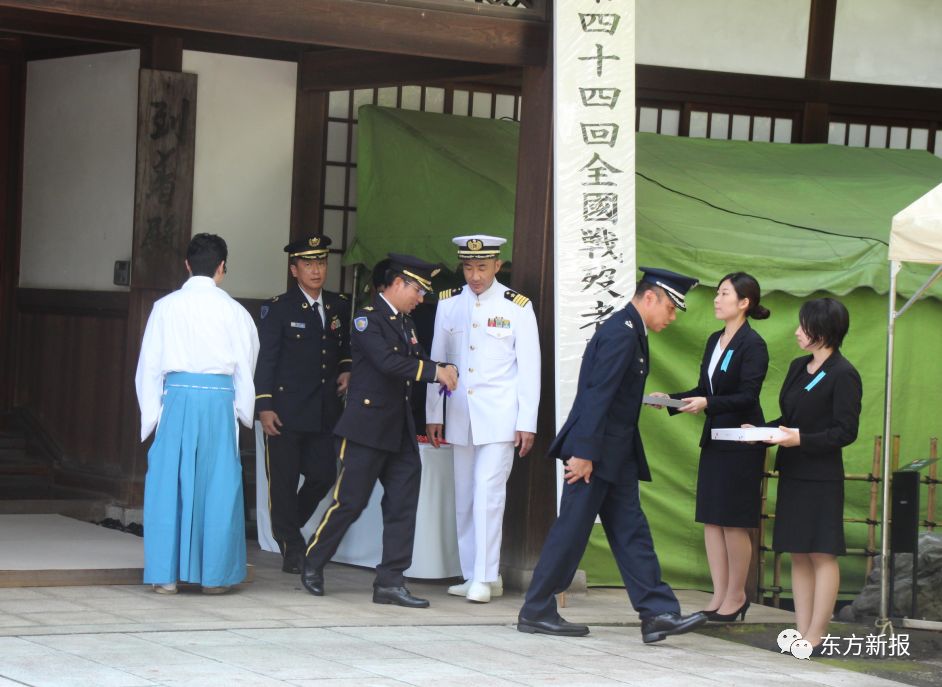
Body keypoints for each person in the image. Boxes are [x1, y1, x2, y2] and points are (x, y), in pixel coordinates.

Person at [518, 267, 708, 643]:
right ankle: (536, 609)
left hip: (614, 453)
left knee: (631, 532)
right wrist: (585, 453)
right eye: (671, 308)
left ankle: (657, 613)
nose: (672, 317)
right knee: (571, 531)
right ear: (650, 297)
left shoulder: (631, 332)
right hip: (595, 453)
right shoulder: (622, 333)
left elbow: (613, 394)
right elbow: (596, 395)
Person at [300, 253, 459, 607]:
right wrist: (435, 371)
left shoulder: (405, 322)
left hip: (399, 429)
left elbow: (408, 362)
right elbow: (388, 363)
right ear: (399, 283)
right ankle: (312, 561)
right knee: (350, 503)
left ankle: (390, 580)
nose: (421, 298)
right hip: (366, 429)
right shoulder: (366, 320)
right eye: (418, 290)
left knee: (403, 505)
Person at [135, 233, 259, 595]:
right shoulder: (235, 311)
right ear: (222, 268)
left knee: (167, 484)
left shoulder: (165, 307)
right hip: (219, 402)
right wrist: (240, 409)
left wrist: (153, 414)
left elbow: (150, 366)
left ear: (187, 265)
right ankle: (215, 578)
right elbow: (246, 364)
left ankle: (165, 576)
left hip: (176, 398)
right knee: (219, 484)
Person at [426, 234, 540, 603]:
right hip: (459, 414)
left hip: (500, 417)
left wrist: (528, 421)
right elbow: (437, 361)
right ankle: (474, 572)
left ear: (497, 265)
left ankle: (486, 576)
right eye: (469, 267)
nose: (475, 275)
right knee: (464, 497)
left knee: (488, 494)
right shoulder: (449, 304)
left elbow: (529, 369)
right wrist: (434, 412)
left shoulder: (516, 306)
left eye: (482, 267)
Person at [656, 272, 770, 622]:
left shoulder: (754, 344)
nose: (717, 300)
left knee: (733, 522)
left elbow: (746, 396)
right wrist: (671, 399)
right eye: (717, 294)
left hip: (741, 440)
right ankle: (718, 594)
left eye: (724, 294)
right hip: (715, 439)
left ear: (744, 303)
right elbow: (704, 389)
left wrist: (706, 402)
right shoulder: (713, 340)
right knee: (711, 520)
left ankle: (737, 596)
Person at [759, 298, 861, 653]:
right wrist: (759, 431)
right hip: (793, 471)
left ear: (824, 331)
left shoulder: (843, 373)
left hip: (821, 476)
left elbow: (845, 432)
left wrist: (799, 438)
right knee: (797, 552)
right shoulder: (798, 366)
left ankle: (818, 632)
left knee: (821, 553)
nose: (798, 332)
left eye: (804, 326)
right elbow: (788, 419)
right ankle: (801, 630)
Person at [254, 235, 351, 574]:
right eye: (308, 264)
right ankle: (292, 547)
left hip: (324, 409)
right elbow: (266, 359)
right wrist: (264, 406)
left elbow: (344, 349)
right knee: (281, 482)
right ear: (294, 270)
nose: (316, 270)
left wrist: (347, 369)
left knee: (324, 475)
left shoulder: (339, 304)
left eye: (321, 263)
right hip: (284, 411)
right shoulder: (278, 308)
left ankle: (287, 527)